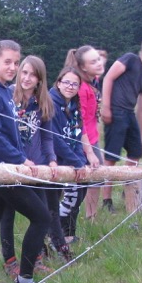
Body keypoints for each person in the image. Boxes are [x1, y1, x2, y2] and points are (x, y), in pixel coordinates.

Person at [0, 40, 51, 283]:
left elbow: (11, 133)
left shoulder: (4, 92)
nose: (12, 67)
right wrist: (21, 159)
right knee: (41, 218)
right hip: (2, 169)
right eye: (7, 62)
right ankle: (24, 281)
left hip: (7, 168)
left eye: (16, 63)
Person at [1, 55, 72, 263]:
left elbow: (47, 137)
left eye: (33, 75)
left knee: (43, 213)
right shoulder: (8, 97)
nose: (27, 78)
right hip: (13, 164)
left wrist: (51, 160)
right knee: (7, 213)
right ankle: (10, 260)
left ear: (40, 79)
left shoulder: (43, 102)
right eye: (24, 72)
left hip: (37, 166)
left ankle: (37, 256)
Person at [100, 36, 142, 211]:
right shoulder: (130, 59)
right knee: (111, 157)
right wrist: (106, 107)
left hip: (129, 113)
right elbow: (108, 78)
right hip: (115, 111)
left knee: (136, 152)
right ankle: (106, 200)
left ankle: (128, 189)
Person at [49, 67, 99, 243]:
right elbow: (55, 139)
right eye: (67, 82)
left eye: (74, 84)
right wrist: (75, 162)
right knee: (57, 200)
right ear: (58, 83)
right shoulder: (51, 103)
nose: (70, 87)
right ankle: (56, 237)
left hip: (72, 158)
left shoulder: (74, 105)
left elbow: (77, 134)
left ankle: (67, 234)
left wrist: (82, 159)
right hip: (54, 159)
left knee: (79, 191)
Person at [64, 46, 106, 219]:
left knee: (97, 179)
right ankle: (69, 219)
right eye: (93, 61)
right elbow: (80, 122)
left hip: (92, 138)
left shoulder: (92, 81)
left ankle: (91, 216)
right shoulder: (81, 88)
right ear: (83, 67)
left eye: (99, 59)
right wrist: (89, 151)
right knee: (79, 182)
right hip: (82, 140)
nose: (99, 63)